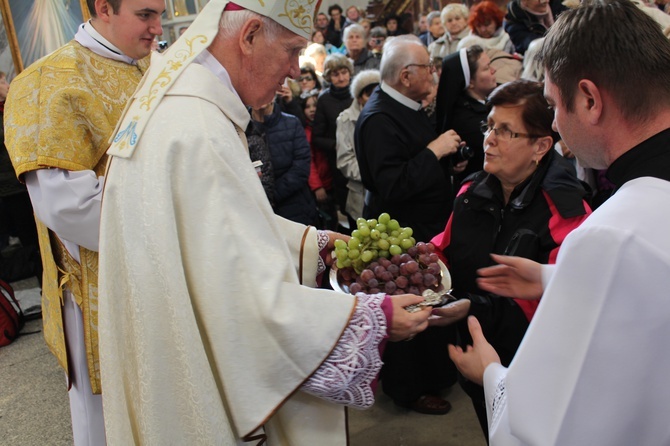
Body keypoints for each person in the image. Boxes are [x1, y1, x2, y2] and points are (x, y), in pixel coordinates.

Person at [98, 1, 433, 444]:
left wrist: (315, 246)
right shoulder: (198, 128)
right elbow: (245, 302)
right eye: (293, 50)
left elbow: (218, 235)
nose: (296, 70)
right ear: (250, 35)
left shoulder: (182, 108)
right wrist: (372, 317)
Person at [446, 1, 670, 444]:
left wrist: (491, 373)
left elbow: (546, 428)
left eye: (552, 104)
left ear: (588, 99)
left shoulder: (607, 236)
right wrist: (557, 277)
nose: (554, 125)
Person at [3, 0, 162, 443]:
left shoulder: (157, 68)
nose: (157, 28)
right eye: (145, 14)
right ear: (103, 7)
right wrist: (178, 213)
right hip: (101, 286)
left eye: (160, 14)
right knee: (115, 422)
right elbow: (70, 209)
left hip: (166, 273)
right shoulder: (47, 82)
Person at [431, 79, 591, 440]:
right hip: (477, 359)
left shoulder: (567, 211)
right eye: (489, 126)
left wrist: (471, 307)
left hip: (535, 371)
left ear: (540, 146)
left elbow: (563, 305)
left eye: (506, 131)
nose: (489, 138)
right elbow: (444, 246)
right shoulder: (472, 192)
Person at [355, 35, 463, 414]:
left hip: (423, 229)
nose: (433, 74)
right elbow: (392, 184)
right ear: (405, 75)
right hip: (399, 236)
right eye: (427, 69)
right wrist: (434, 151)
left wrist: (446, 161)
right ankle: (409, 389)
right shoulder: (379, 118)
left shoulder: (407, 106)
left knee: (428, 307)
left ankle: (435, 376)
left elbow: (415, 158)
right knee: (409, 311)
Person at [435, 46, 498, 181]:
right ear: (470, 82)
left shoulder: (486, 104)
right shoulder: (466, 121)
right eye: (486, 68)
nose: (494, 70)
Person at [251, 100, 317, 226]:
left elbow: (301, 167)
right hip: (258, 212)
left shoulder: (292, 123)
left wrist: (271, 194)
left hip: (295, 207)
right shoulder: (241, 129)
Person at [312, 53, 354, 230]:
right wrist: (337, 145)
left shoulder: (357, 93)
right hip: (339, 163)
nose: (341, 77)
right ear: (329, 77)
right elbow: (317, 137)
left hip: (361, 156)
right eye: (336, 74)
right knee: (349, 209)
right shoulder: (324, 99)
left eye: (344, 72)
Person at [336, 69, 380, 221]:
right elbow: (345, 160)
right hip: (360, 198)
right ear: (360, 98)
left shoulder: (386, 116)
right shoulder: (346, 119)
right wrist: (375, 175)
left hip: (388, 194)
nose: (375, 98)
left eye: (378, 92)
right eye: (369, 94)